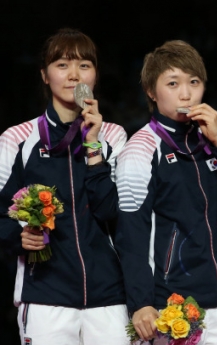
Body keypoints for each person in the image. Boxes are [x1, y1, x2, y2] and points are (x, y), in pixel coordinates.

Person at [115, 40, 217, 344]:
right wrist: (141, 303)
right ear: (151, 91)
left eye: (194, 82)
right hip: (171, 309)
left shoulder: (214, 141)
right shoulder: (139, 151)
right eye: (173, 83)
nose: (186, 93)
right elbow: (132, 235)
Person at [0, 28, 128, 344]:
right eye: (62, 65)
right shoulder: (17, 139)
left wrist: (93, 145)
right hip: (45, 295)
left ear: (95, 75)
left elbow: (114, 212)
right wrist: (19, 236)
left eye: (84, 65)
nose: (74, 75)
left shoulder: (114, 136)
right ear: (44, 75)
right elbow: (1, 217)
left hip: (109, 296)